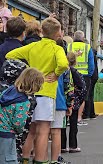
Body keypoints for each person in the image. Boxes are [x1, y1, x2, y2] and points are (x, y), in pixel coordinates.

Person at [6, 17, 69, 164]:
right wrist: (56, 73)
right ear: (58, 33)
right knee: (43, 130)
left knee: (31, 129)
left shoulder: (33, 46)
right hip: (46, 93)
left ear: (41, 31)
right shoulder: (57, 48)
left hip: (30, 92)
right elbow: (64, 64)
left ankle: (25, 159)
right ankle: (40, 160)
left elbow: (10, 55)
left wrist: (29, 71)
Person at [0, 68, 44, 164]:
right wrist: (19, 131)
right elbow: (18, 123)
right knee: (9, 159)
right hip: (7, 133)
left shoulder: (8, 91)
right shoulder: (23, 101)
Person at [61, 52, 86, 154]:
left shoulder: (62, 71)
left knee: (62, 125)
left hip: (63, 100)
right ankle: (73, 145)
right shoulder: (75, 72)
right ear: (75, 61)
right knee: (73, 124)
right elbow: (82, 87)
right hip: (73, 101)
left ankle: (62, 146)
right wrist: (80, 99)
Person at [67, 31, 95, 121]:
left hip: (71, 73)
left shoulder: (69, 46)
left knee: (70, 94)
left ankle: (69, 117)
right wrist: (89, 74)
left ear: (74, 37)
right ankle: (79, 117)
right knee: (82, 96)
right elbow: (91, 64)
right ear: (83, 38)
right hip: (84, 75)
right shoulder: (87, 47)